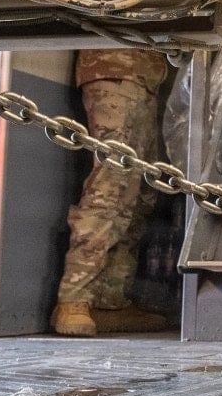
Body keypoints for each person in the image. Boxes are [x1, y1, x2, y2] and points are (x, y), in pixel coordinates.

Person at [51, 47, 171, 336]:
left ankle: (109, 303)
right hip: (115, 70)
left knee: (138, 195)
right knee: (109, 186)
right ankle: (74, 298)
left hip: (141, 75)